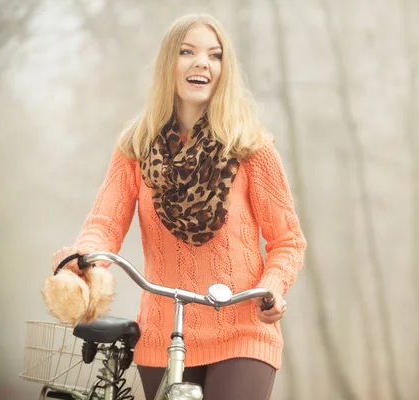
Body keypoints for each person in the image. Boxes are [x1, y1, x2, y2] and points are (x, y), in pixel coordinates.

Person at [51, 13, 306, 400]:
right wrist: (86, 258)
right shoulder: (135, 148)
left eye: (214, 55)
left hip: (242, 327)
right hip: (163, 332)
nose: (202, 62)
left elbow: (288, 240)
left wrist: (269, 290)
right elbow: (104, 222)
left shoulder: (252, 148)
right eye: (187, 52)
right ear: (169, 63)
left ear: (224, 70)